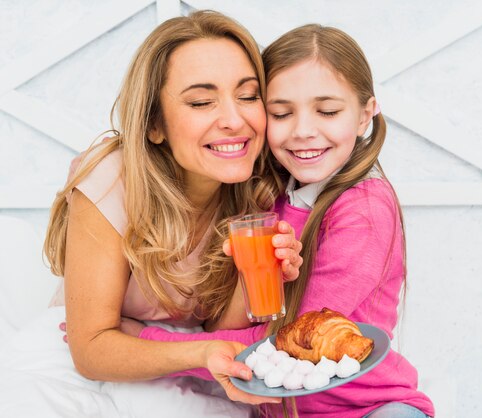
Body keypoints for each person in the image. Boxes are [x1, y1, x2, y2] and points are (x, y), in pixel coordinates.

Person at [0, 10, 305, 417]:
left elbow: (218, 328)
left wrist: (263, 276)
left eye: (248, 96)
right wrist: (201, 351)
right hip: (84, 364)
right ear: (154, 125)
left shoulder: (255, 186)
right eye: (201, 101)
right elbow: (90, 350)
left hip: (187, 365)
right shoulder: (112, 179)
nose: (235, 120)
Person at [134, 24, 435, 418]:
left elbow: (284, 339)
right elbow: (233, 321)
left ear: (364, 116)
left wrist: (145, 342)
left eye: (327, 111)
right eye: (281, 113)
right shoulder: (268, 197)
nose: (303, 131)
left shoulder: (364, 209)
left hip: (370, 409)